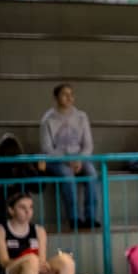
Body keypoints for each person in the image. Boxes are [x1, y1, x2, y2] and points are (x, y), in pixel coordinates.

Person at [40, 83, 99, 228]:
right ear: (56, 98)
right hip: (57, 160)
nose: (69, 98)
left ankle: (91, 217)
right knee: (67, 175)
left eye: (71, 94)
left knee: (92, 173)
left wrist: (79, 159)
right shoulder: (47, 119)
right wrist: (67, 160)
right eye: (64, 94)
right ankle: (74, 218)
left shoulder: (81, 117)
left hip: (79, 158)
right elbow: (47, 148)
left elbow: (88, 145)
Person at [0, 134, 41, 227]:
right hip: (17, 214)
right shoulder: (24, 164)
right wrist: (41, 170)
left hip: (1, 215)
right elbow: (37, 188)